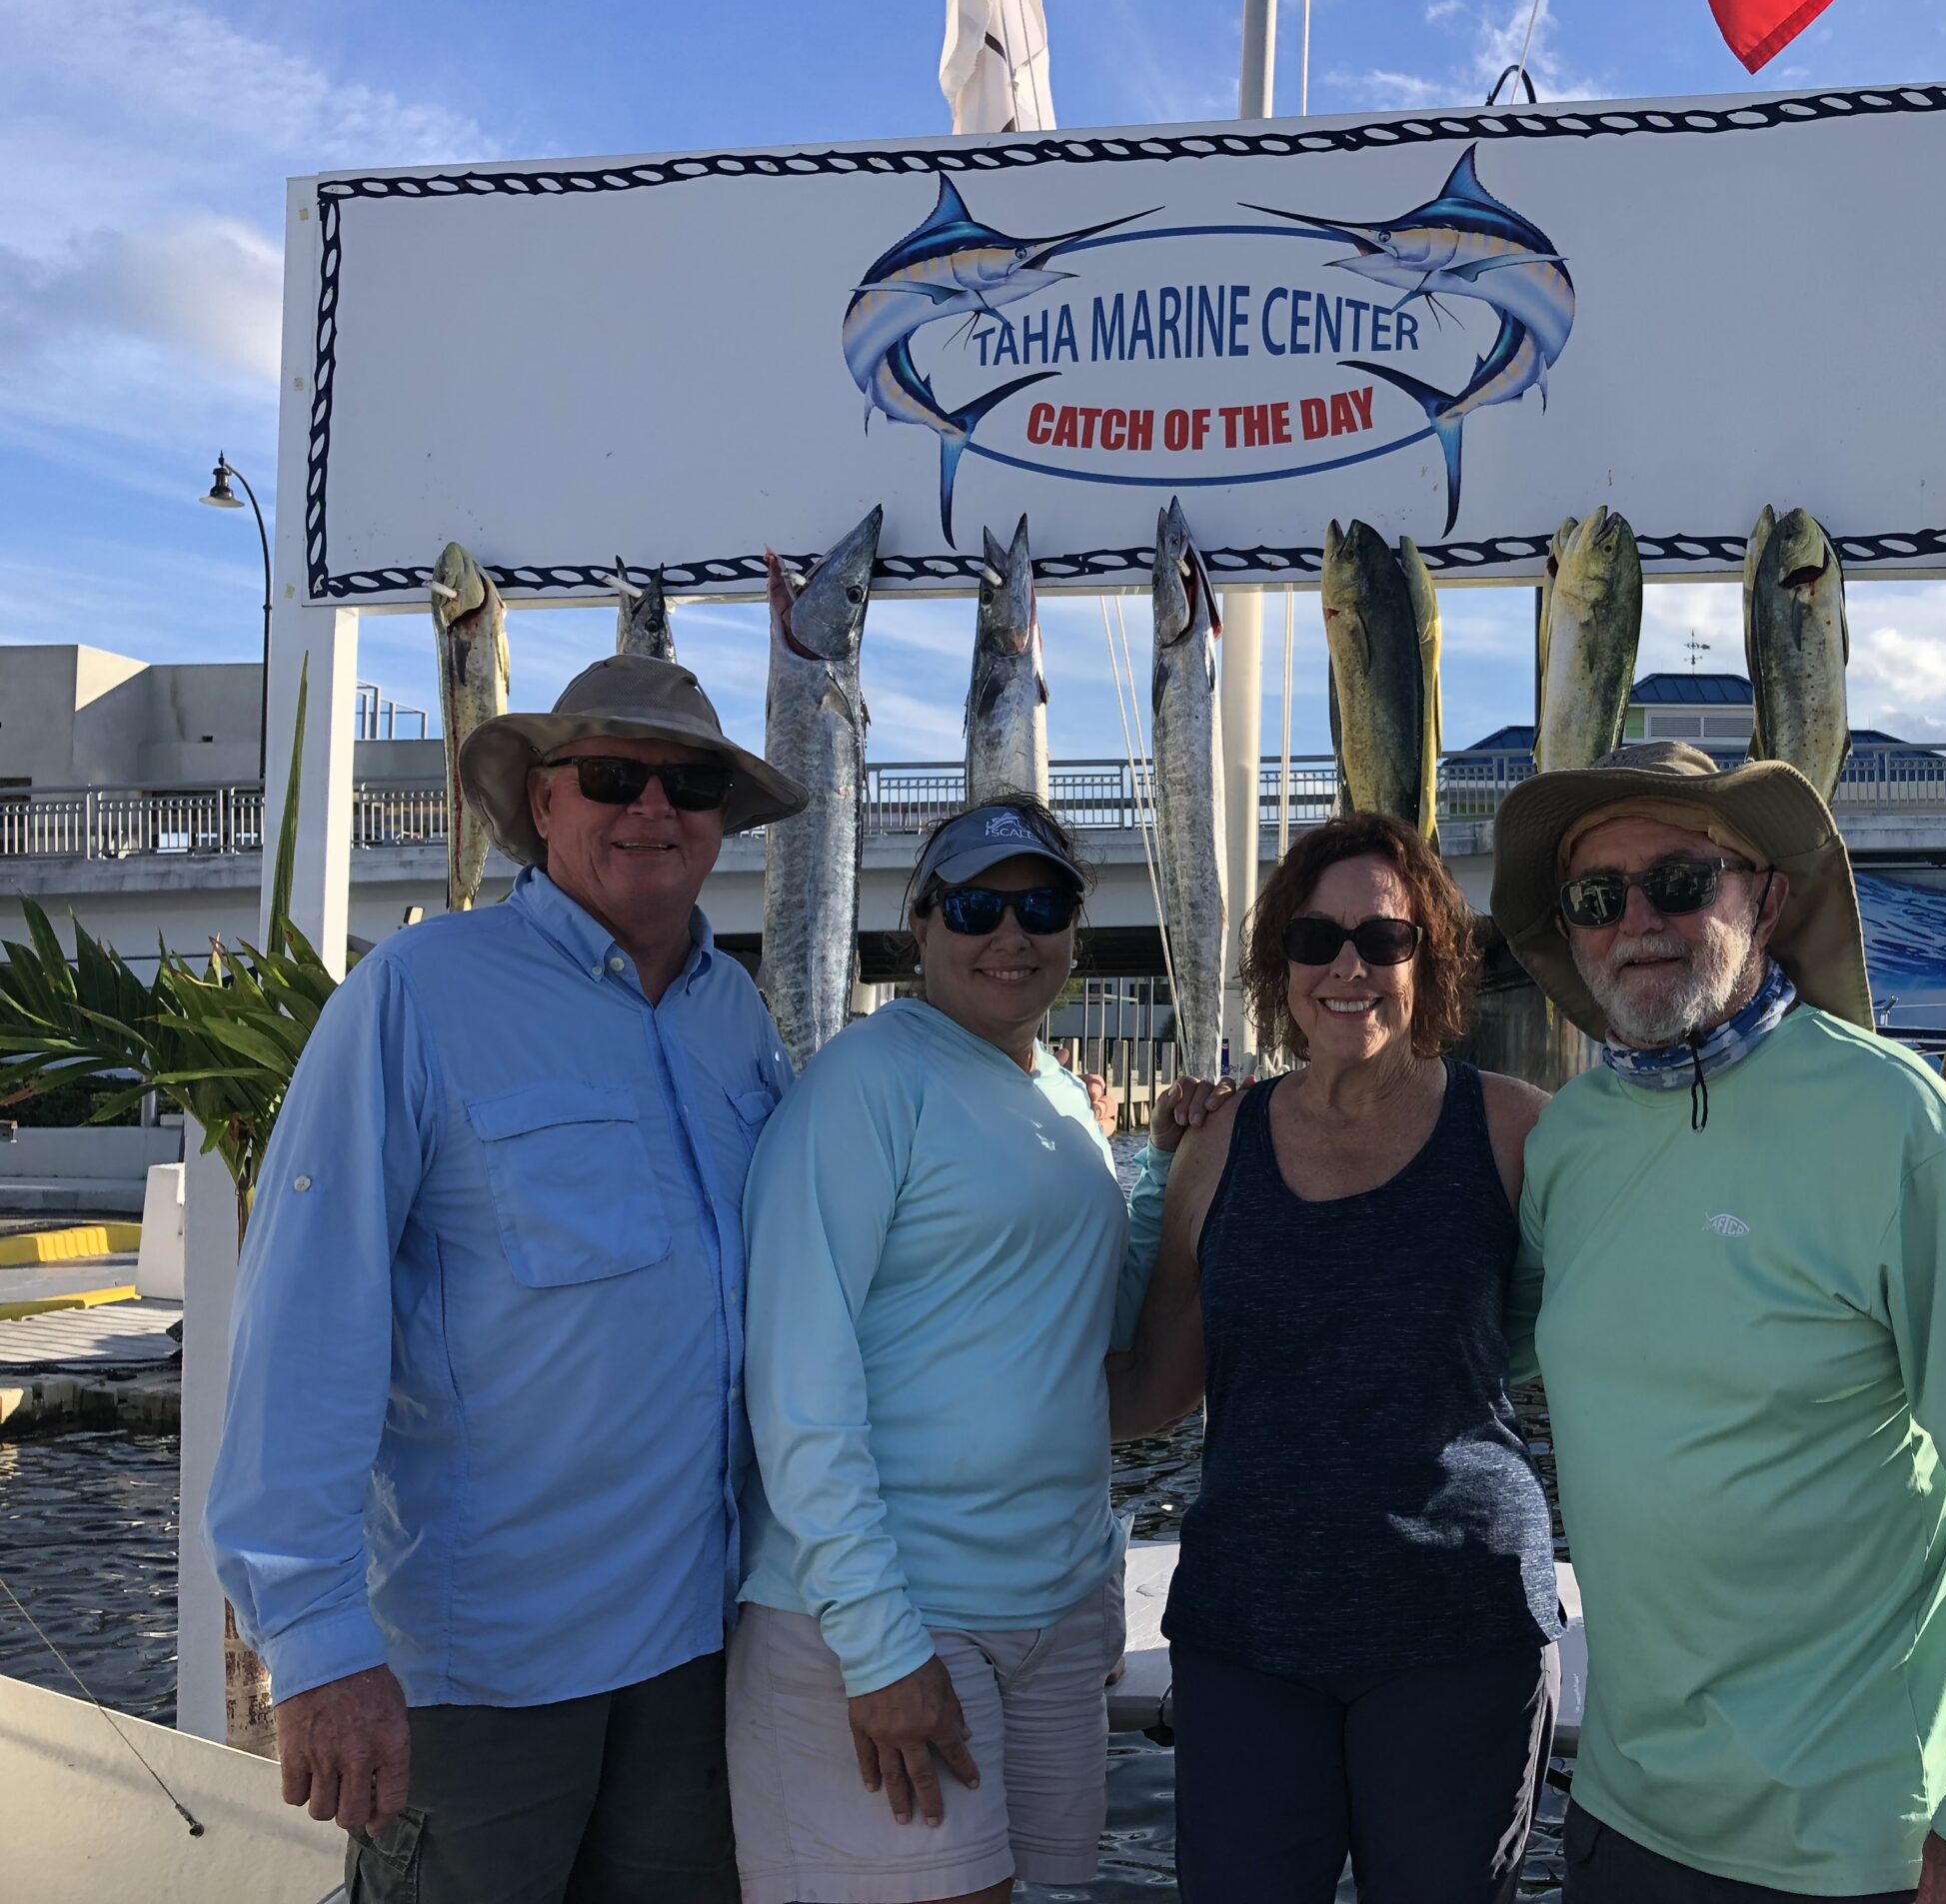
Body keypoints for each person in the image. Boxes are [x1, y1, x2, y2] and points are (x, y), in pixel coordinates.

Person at [207, 655, 812, 1903]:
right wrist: (316, 1645)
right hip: (481, 1672)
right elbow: (304, 1324)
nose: (655, 807)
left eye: (692, 785)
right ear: (542, 800)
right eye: (613, 775)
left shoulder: (737, 1019)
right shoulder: (415, 995)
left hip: (698, 1656)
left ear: (721, 822)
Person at [1489, 742, 1946, 1904]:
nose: (1638, 920)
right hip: (1621, 1817)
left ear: (1766, 902)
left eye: (1681, 881)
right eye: (1596, 896)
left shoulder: (1901, 1128)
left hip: (1861, 1845)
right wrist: (1254, 1140)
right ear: (1570, 931)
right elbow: (1466, 1351)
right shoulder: (1570, 1141)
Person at [728, 796, 1217, 1904]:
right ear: (920, 922)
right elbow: (797, 1380)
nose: (1010, 935)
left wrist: (1164, 1169)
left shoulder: (1063, 1099)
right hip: (897, 1611)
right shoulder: (864, 1082)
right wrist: (878, 1645)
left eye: (1041, 908)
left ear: (1075, 929)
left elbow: (1093, 1327)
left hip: (1055, 1607)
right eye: (974, 908)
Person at [1112, 811, 1563, 1904]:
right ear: (1283, 965)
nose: (1348, 967)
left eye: (1384, 938)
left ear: (1429, 958)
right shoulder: (1215, 1144)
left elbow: (1613, 1339)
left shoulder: (1518, 1133)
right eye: (1315, 940)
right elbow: (1155, 1384)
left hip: (1459, 1628)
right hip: (1248, 1630)